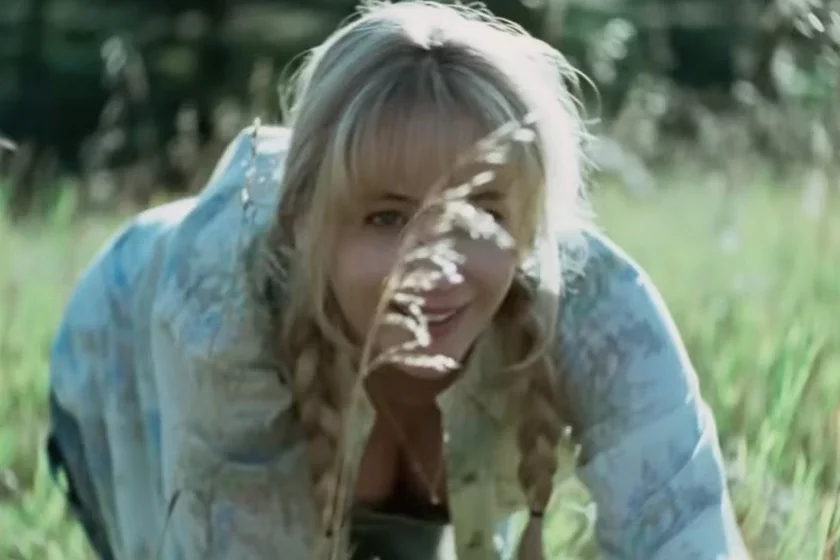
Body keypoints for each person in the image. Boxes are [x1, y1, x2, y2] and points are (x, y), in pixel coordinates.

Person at [45, 1, 749, 559]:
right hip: (123, 376)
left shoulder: (602, 312)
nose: (438, 263)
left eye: (480, 210)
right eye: (387, 217)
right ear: (301, 222)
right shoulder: (219, 311)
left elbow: (690, 539)